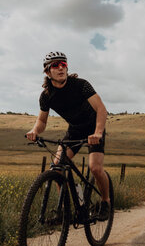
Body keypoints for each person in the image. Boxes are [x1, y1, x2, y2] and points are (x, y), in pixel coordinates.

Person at [26, 51, 110, 221]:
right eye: (55, 65)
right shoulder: (47, 95)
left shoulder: (81, 85)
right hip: (75, 130)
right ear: (47, 72)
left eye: (63, 64)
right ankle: (65, 211)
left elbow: (101, 109)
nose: (61, 68)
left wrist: (98, 132)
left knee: (95, 168)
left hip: (94, 128)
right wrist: (35, 131)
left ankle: (105, 202)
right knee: (57, 167)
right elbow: (42, 120)